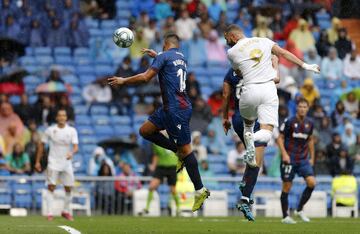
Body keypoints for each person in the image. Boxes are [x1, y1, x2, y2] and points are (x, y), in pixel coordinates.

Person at [223, 24, 319, 221]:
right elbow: (278, 66)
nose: (227, 42)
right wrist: (297, 65)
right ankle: (245, 195)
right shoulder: (265, 43)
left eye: (227, 38)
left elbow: (227, 93)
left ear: (232, 37)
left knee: (253, 153)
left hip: (243, 107)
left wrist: (224, 117)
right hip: (264, 97)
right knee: (259, 152)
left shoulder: (232, 56)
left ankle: (244, 192)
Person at [108, 33, 210, 212]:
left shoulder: (165, 56)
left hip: (176, 110)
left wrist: (124, 80)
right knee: (145, 131)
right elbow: (169, 65)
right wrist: (157, 56)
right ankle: (176, 150)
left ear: (165, 44)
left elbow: (146, 77)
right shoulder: (181, 57)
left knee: (186, 151)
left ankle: (200, 190)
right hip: (170, 108)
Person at [35, 109, 79, 221]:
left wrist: (72, 153)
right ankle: (50, 213)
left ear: (66, 117)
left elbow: (75, 146)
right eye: (60, 115)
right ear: (56, 118)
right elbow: (41, 145)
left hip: (66, 163)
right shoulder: (50, 130)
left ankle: (65, 211)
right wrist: (37, 161)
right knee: (51, 187)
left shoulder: (72, 130)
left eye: (64, 115)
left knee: (69, 187)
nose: (62, 117)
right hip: (53, 162)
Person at [277, 98, 316, 224]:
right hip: (289, 159)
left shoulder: (310, 123)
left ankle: (299, 209)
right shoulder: (289, 121)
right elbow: (280, 138)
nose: (302, 109)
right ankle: (285, 217)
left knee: (311, 183)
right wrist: (284, 154)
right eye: (300, 106)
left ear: (308, 109)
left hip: (303, 159)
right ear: (297, 108)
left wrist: (312, 158)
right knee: (287, 186)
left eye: (305, 107)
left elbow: (310, 140)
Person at [140, 143, 180, 215]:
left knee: (173, 190)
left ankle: (178, 208)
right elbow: (156, 155)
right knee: (152, 186)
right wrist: (153, 165)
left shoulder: (175, 139)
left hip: (172, 167)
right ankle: (147, 208)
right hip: (161, 167)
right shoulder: (156, 142)